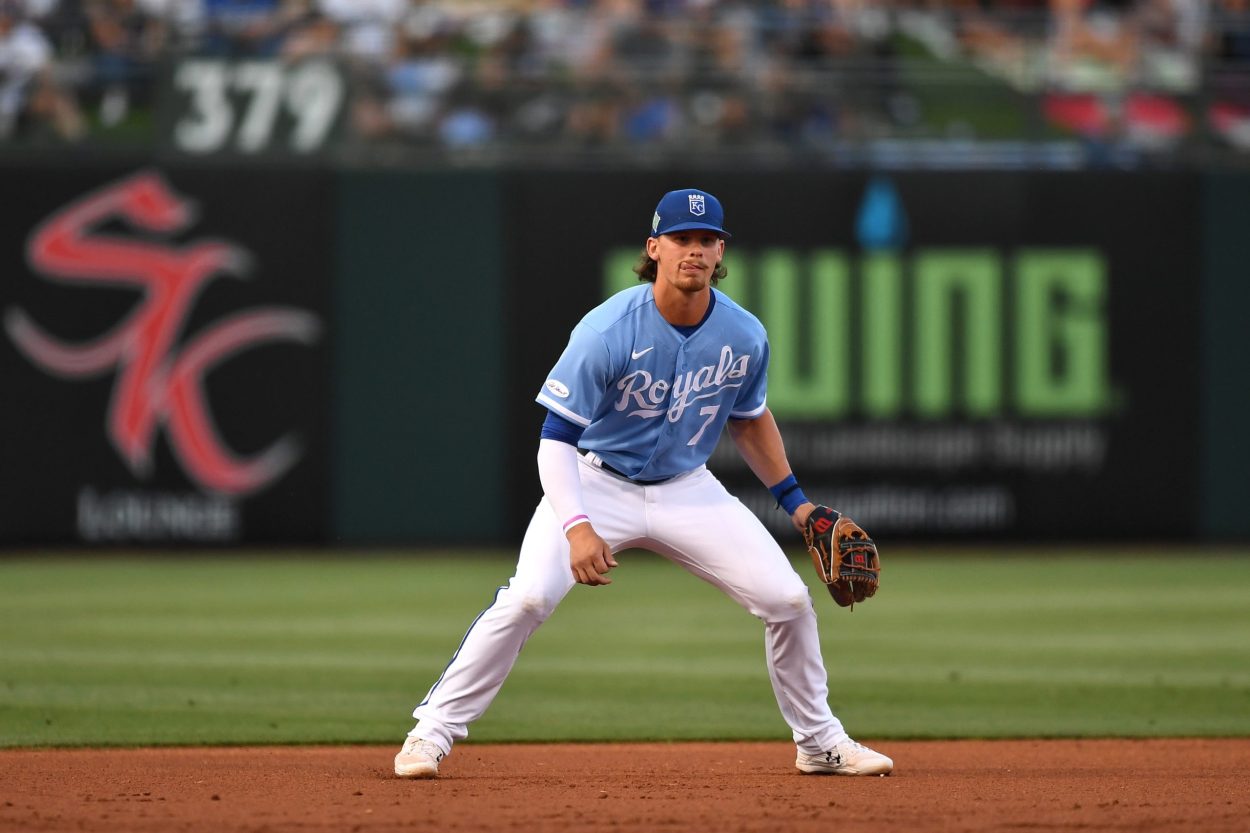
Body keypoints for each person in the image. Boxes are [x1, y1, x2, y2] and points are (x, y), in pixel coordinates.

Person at [395, 187, 892, 780]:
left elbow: (750, 418)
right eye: (681, 239)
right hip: (595, 480)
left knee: (786, 601)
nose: (695, 251)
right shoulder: (606, 331)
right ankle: (430, 735)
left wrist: (797, 504)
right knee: (528, 598)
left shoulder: (744, 334)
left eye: (708, 241)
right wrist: (578, 528)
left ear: (720, 252)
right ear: (654, 248)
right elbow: (555, 437)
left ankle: (819, 743)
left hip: (688, 488)